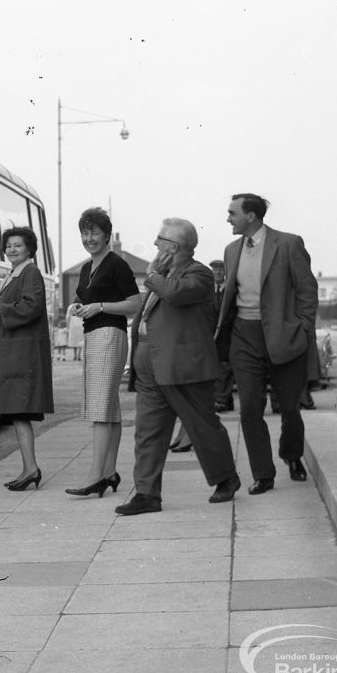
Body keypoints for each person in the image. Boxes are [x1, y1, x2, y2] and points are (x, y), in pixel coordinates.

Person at [115, 218, 242, 516]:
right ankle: (147, 494)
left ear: (173, 247)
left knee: (202, 427)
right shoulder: (164, 274)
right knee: (148, 432)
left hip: (183, 367)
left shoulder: (197, 274)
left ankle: (226, 478)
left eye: (160, 240)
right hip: (151, 366)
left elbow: (175, 293)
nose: (156, 244)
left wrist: (152, 274)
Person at [214, 193, 318, 495]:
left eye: (232, 213)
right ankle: (263, 473)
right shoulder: (231, 250)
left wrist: (303, 329)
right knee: (249, 408)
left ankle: (292, 455)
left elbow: (307, 289)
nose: (228, 218)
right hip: (244, 337)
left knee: (289, 407)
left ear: (251, 216)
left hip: (283, 335)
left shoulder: (287, 244)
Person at [64, 208, 141, 499]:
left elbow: (135, 303)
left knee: (99, 407)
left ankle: (95, 475)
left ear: (107, 235)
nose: (89, 238)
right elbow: (84, 298)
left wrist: (100, 307)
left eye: (95, 232)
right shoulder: (87, 268)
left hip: (110, 334)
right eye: (85, 233)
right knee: (108, 407)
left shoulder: (116, 264)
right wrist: (76, 306)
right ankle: (109, 472)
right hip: (93, 335)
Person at [0, 227, 54, 490]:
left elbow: (32, 306)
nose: (11, 250)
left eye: (17, 246)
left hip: (22, 354)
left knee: (19, 412)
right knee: (18, 413)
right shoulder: (16, 273)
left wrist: (0, 308)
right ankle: (29, 468)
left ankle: (30, 468)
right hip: (15, 351)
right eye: (8, 245)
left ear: (29, 249)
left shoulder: (29, 272)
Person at [209, 259, 235, 412]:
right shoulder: (207, 290)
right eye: (215, 270)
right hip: (211, 335)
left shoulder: (230, 291)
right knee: (216, 367)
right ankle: (226, 400)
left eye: (220, 270)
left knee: (225, 368)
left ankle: (221, 400)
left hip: (227, 334)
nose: (218, 273)